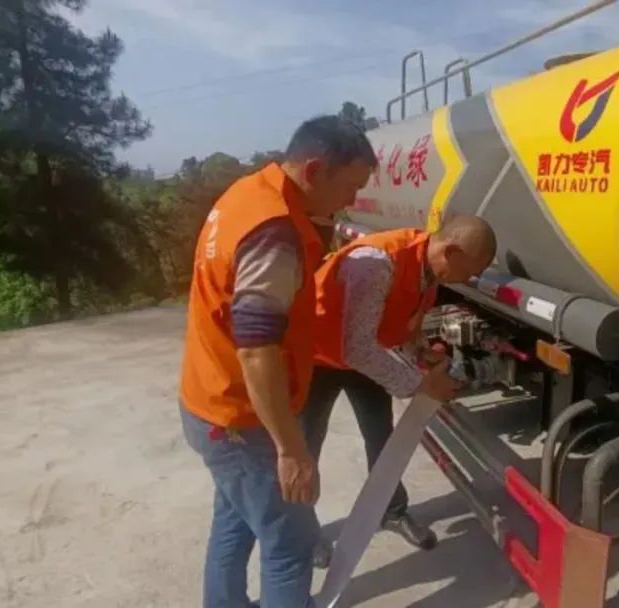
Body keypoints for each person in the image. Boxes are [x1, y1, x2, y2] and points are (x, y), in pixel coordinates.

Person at [178, 116, 376, 608]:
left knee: (234, 522)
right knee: (290, 544)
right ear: (314, 171)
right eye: (350, 187)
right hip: (242, 420)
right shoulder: (275, 232)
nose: (351, 201)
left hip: (210, 403)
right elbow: (256, 348)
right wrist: (291, 451)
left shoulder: (247, 194)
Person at [303, 215, 497, 559]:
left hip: (364, 355)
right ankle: (300, 532)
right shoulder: (378, 264)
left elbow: (400, 326)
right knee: (305, 448)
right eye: (472, 269)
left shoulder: (430, 271)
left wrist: (420, 353)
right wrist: (420, 385)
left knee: (383, 438)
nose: (472, 278)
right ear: (451, 252)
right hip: (318, 355)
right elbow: (356, 347)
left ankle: (391, 511)